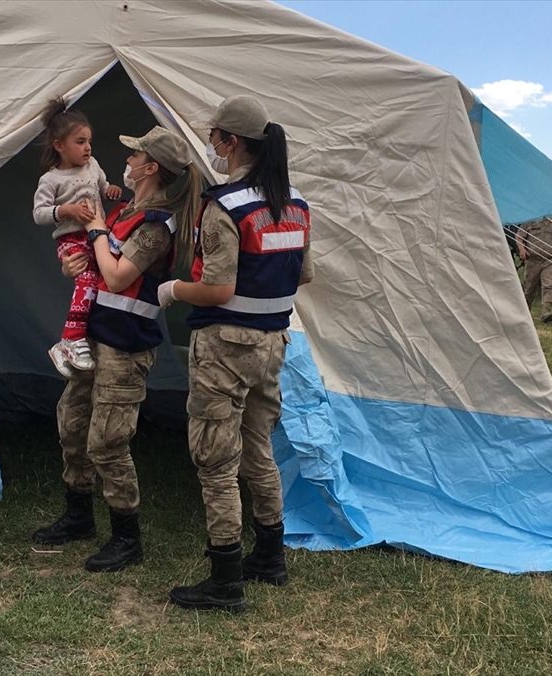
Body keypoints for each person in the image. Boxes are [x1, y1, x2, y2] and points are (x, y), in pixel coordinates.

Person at [158, 96, 313, 612]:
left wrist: (174, 289)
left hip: (225, 346)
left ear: (231, 141)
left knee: (216, 460)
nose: (211, 146)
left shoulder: (225, 206)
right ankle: (269, 556)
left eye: (214, 137)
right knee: (258, 450)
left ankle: (225, 578)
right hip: (273, 344)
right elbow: (304, 275)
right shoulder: (295, 202)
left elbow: (218, 289)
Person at [32, 127, 202, 573]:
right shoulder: (126, 211)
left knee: (107, 440)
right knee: (72, 424)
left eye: (135, 156)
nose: (126, 161)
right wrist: (73, 265)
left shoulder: (156, 226)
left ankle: (127, 537)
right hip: (94, 337)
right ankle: (79, 515)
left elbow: (119, 275)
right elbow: (97, 268)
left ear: (151, 168)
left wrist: (95, 230)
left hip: (125, 348)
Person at [32, 98, 123, 376]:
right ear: (59, 145)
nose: (88, 148)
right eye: (80, 142)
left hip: (98, 236)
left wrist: (111, 191)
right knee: (86, 280)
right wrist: (66, 210)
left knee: (104, 280)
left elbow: (103, 185)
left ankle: (76, 342)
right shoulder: (51, 180)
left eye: (89, 142)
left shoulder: (92, 165)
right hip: (71, 240)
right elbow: (39, 213)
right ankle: (71, 338)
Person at [515, 217, 552, 323]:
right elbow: (519, 236)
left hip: (551, 259)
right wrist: (522, 249)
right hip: (533, 260)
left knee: (549, 284)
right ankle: (525, 312)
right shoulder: (531, 220)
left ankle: (546, 311)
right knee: (529, 288)